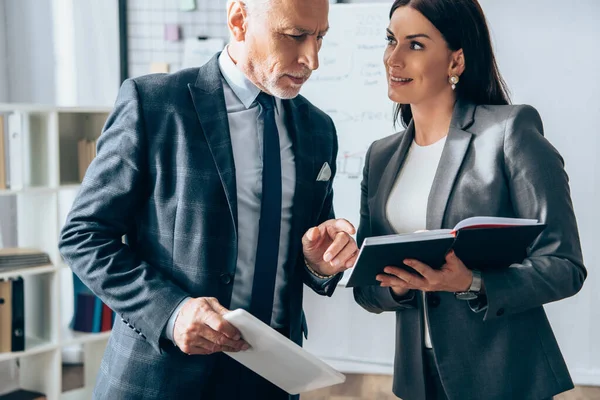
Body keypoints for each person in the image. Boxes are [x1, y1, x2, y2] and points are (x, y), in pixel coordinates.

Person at [58, 0, 358, 398]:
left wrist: (320, 263)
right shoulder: (154, 105)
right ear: (238, 20)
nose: (311, 59)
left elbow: (309, 249)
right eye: (295, 36)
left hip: (273, 380)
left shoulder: (320, 129)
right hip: (161, 379)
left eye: (319, 37)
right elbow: (83, 236)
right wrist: (173, 313)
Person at [353, 0, 586, 399]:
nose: (393, 58)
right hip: (419, 382)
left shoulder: (510, 132)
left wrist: (472, 283)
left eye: (416, 45)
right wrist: (398, 288)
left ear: (456, 61)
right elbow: (365, 285)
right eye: (391, 40)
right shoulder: (381, 157)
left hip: (504, 378)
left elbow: (565, 267)